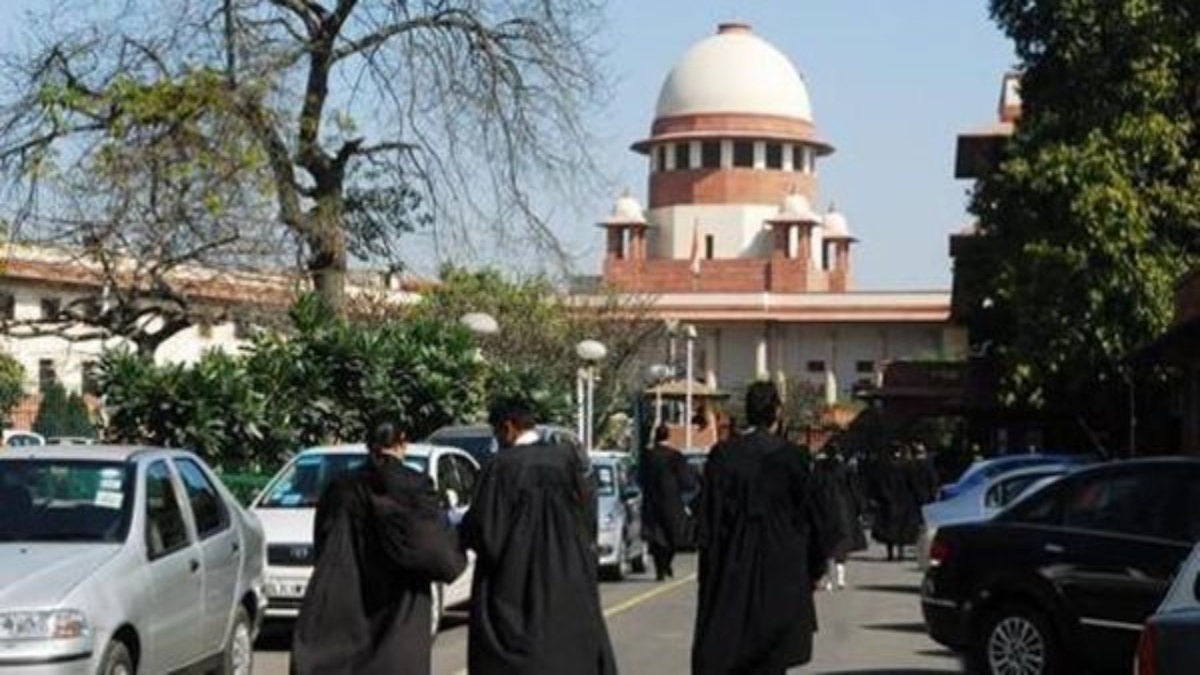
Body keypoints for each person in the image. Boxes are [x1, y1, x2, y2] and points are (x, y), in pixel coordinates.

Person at [290, 414, 467, 675]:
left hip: (346, 600)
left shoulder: (341, 487)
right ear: (402, 443)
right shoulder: (414, 486)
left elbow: (325, 540)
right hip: (401, 610)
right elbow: (436, 549)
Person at [462, 396, 618, 674]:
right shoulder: (567, 460)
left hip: (515, 585)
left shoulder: (501, 467)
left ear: (508, 427)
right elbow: (587, 515)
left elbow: (485, 531)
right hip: (570, 580)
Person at [692, 381, 832, 675]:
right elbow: (811, 517)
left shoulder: (724, 455)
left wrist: (710, 568)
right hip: (781, 565)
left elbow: (709, 518)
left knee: (732, 647)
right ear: (777, 412)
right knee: (773, 657)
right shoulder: (794, 457)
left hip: (732, 564)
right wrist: (816, 566)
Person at [640, 425, 697, 580]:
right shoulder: (675, 456)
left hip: (651, 502)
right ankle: (666, 564)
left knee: (656, 537)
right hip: (671, 502)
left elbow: (641, 477)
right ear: (668, 436)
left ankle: (660, 569)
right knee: (672, 536)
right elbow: (686, 480)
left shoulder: (648, 456)